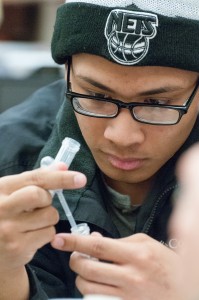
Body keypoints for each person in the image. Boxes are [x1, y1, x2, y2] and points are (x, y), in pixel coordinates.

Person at [0, 0, 199, 299]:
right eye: (95, 95)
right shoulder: (9, 158)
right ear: (66, 72)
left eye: (157, 104)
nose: (122, 137)